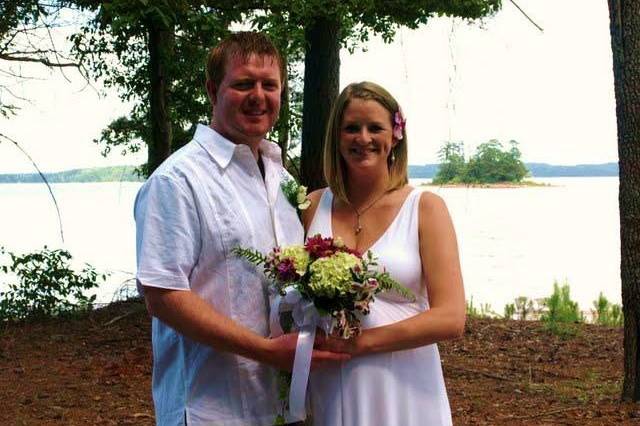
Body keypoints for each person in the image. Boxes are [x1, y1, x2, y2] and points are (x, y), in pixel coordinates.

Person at [134, 32, 347, 426]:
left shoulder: (280, 179)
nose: (258, 96)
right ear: (213, 90)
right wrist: (267, 351)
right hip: (211, 408)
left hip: (281, 407)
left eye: (270, 85)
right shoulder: (178, 180)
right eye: (243, 83)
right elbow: (162, 295)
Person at [303, 81, 466, 426]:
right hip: (332, 382)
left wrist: (361, 343)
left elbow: (451, 317)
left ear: (395, 135)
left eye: (375, 127)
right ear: (336, 136)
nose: (363, 138)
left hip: (406, 384)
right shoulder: (312, 206)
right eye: (351, 128)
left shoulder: (425, 208)